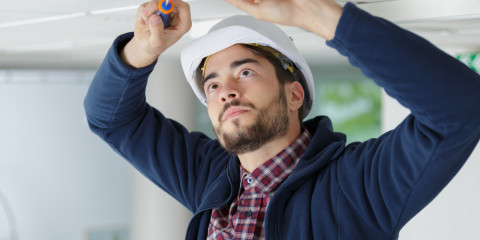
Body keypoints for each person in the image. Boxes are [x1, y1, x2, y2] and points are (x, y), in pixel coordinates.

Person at [84, 0, 480, 239]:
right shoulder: (209, 178)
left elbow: (460, 108)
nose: (225, 92)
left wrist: (315, 15)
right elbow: (112, 119)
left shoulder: (355, 188)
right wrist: (142, 48)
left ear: (294, 94)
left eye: (245, 72)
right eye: (212, 85)